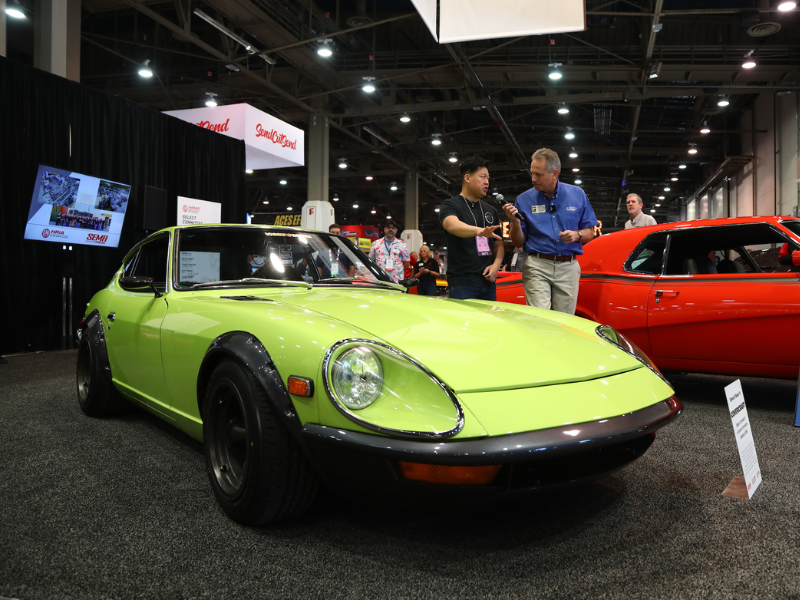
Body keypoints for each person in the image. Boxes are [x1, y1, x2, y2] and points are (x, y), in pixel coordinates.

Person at [503, 148, 598, 314]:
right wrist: (515, 224)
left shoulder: (577, 194)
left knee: (565, 320)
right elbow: (518, 242)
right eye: (532, 173)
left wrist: (577, 235)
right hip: (536, 265)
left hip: (568, 267)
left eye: (539, 175)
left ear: (555, 173)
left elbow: (590, 232)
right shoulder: (523, 200)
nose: (533, 179)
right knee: (540, 318)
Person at [439, 155, 504, 300]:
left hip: (488, 282)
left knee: (489, 322)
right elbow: (452, 225)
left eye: (488, 178)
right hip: (462, 282)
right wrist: (479, 231)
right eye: (482, 177)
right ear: (467, 178)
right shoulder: (450, 205)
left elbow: (499, 244)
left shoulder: (491, 210)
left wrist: (496, 266)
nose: (487, 182)